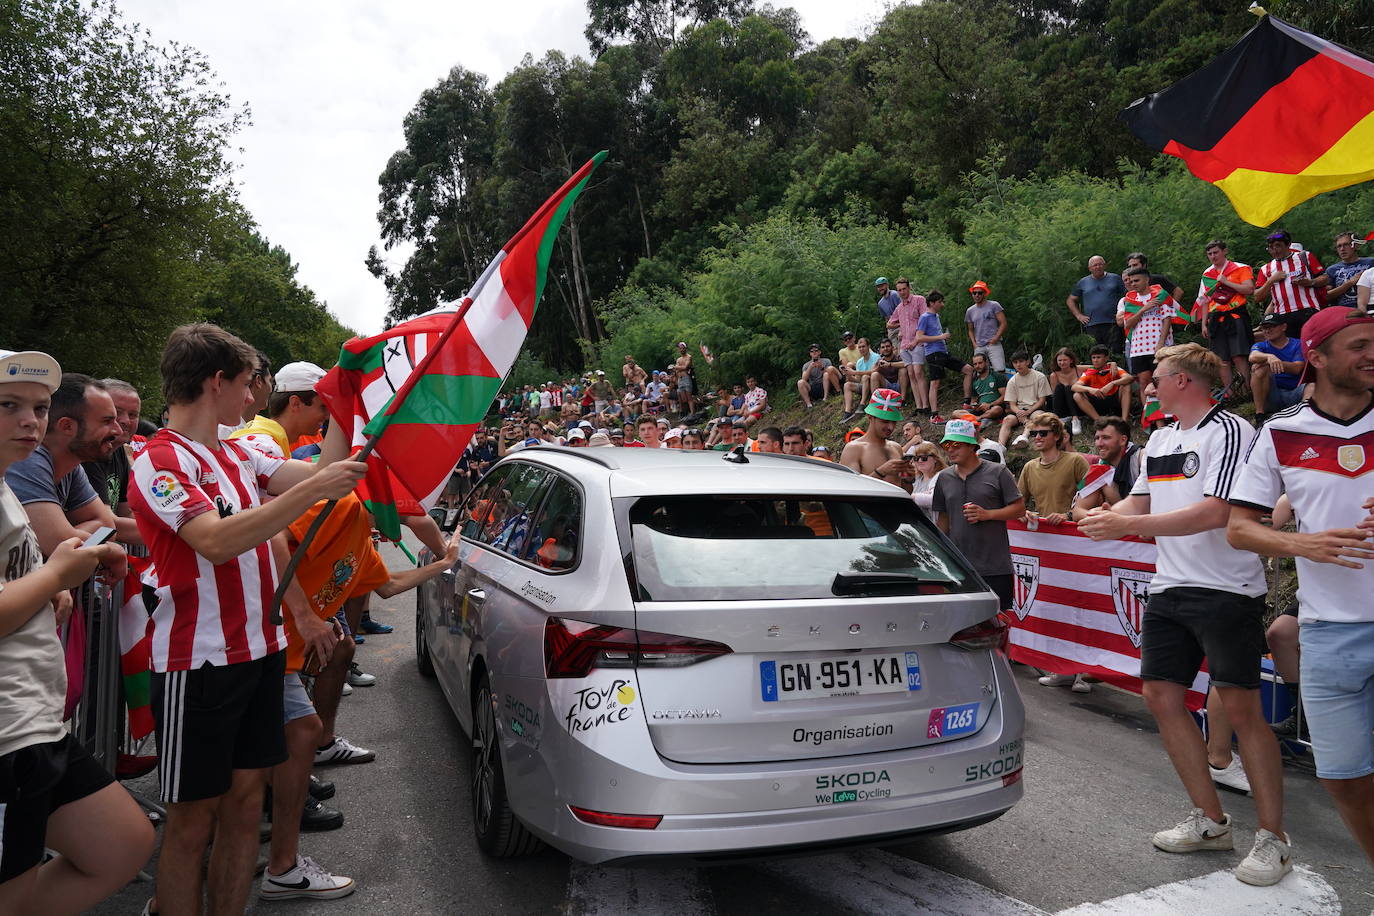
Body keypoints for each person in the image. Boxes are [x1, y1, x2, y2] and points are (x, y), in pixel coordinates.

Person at [127, 324, 367, 916]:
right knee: (191, 822)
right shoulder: (158, 459)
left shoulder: (235, 451)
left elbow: (325, 473)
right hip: (198, 664)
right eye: (246, 383)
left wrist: (346, 395)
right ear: (217, 382)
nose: (254, 397)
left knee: (242, 804)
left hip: (259, 653)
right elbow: (213, 541)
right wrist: (309, 492)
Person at [1078, 342, 1289, 886]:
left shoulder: (1234, 431)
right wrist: (1105, 515)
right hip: (1169, 584)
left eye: (1159, 377)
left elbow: (1218, 511)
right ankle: (1211, 819)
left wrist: (1128, 527)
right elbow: (1142, 502)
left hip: (1227, 588)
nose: (1148, 386)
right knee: (1161, 697)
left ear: (1184, 382)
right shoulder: (1161, 438)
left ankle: (1274, 837)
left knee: (1242, 708)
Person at [0, 348, 153, 916]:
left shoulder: (6, 488)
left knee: (123, 843)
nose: (29, 422)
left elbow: (98, 529)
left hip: (36, 723)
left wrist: (50, 579)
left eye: (37, 408)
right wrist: (57, 575)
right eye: (8, 405)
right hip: (8, 736)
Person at [1226, 308, 1374, 868]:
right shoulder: (1281, 431)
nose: (1371, 353)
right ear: (1315, 357)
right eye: (1358, 345)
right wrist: (1302, 544)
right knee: (1342, 777)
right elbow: (1239, 528)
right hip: (1328, 630)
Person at [5, 373, 141, 552]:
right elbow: (58, 546)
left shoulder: (72, 465)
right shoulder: (28, 460)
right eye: (107, 421)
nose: (118, 429)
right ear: (67, 426)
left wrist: (72, 537)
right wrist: (106, 550)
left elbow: (108, 526)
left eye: (40, 409)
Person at [931, 418, 1025, 611]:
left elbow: (1019, 508)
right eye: (946, 444)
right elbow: (943, 519)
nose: (950, 449)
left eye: (956, 444)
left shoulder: (998, 471)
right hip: (959, 567)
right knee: (962, 625)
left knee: (998, 622)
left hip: (995, 567)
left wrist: (987, 514)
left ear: (972, 445)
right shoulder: (944, 477)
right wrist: (938, 554)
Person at [1195, 239, 1256, 397]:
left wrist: (1226, 282)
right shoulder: (1207, 273)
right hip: (1215, 317)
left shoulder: (1240, 268)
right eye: (1209, 254)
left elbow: (1249, 289)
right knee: (1221, 359)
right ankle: (1230, 394)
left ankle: (1247, 391)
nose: (1213, 256)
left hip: (1235, 314)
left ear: (1224, 251)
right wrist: (1203, 324)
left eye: (1216, 252)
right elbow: (1204, 300)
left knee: (1239, 356)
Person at [1018, 411, 1089, 528]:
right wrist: (1023, 513)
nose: (1037, 437)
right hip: (1045, 533)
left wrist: (1068, 515)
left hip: (1074, 531)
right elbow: (1018, 503)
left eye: (1043, 433)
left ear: (1056, 436)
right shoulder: (1029, 467)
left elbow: (1094, 497)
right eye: (1033, 433)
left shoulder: (1076, 461)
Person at [1255, 229, 1327, 341]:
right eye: (1270, 247)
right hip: (1282, 317)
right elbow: (1257, 297)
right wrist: (1270, 281)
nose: (1274, 250)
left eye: (1278, 246)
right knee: (1293, 351)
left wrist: (1310, 282)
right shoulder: (1265, 269)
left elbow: (1325, 278)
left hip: (1307, 310)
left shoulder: (1304, 257)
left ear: (1288, 244)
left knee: (1314, 344)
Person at [1119, 266, 1178, 400]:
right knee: (1144, 383)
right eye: (1131, 281)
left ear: (1147, 280)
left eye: (1136, 280)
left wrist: (1161, 343)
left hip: (1158, 345)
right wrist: (1143, 309)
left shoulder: (1160, 295)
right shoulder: (1130, 300)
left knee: (1162, 380)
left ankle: (1167, 414)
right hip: (1139, 348)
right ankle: (1149, 417)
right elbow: (1127, 324)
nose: (1133, 284)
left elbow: (1167, 319)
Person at [916, 291, 974, 421]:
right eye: (940, 302)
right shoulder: (925, 317)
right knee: (935, 382)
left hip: (943, 352)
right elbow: (919, 337)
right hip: (933, 353)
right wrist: (940, 337)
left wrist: (943, 339)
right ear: (932, 303)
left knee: (968, 369)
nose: (942, 304)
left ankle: (967, 403)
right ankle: (934, 415)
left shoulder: (936, 316)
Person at [839, 389, 913, 492]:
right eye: (885, 421)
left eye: (894, 422)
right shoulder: (854, 449)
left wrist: (908, 480)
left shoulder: (896, 448)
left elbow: (906, 492)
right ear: (870, 417)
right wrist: (881, 472)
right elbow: (850, 491)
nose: (890, 427)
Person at [1247, 314, 1306, 424]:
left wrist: (1272, 363)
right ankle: (1260, 415)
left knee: (1312, 386)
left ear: (1284, 327)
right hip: (1271, 395)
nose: (1267, 330)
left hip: (1295, 393)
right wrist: (1269, 357)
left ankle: (1308, 417)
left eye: (1271, 326)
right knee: (1258, 369)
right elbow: (1252, 357)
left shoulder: (1298, 344)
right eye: (1264, 328)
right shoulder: (1261, 345)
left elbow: (1297, 368)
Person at [1068, 256, 1127, 353]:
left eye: (1100, 264)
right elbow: (1071, 300)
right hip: (1092, 324)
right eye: (1095, 265)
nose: (1098, 267)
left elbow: (1127, 295)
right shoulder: (1083, 282)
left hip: (1113, 323)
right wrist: (1079, 315)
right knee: (1096, 353)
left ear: (1105, 265)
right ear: (1089, 268)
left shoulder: (1115, 278)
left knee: (1115, 352)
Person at [891, 278, 929, 413]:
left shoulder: (919, 300)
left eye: (904, 289)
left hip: (917, 341)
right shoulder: (899, 307)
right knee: (911, 374)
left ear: (908, 288)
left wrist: (917, 340)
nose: (902, 292)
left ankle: (926, 405)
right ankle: (919, 406)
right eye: (899, 290)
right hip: (905, 344)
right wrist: (900, 325)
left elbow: (925, 318)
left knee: (918, 372)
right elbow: (889, 323)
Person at [999, 350, 1051, 447]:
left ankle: (1024, 437)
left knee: (1038, 416)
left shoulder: (1039, 377)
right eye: (1015, 362)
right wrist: (1019, 412)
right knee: (1007, 420)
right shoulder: (1012, 381)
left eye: (1021, 361)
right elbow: (1012, 404)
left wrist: (1028, 411)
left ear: (1028, 362)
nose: (1018, 365)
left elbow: (1042, 400)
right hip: (1018, 410)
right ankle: (1000, 446)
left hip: (1035, 408)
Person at [1072, 345, 1133, 425]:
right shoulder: (1089, 372)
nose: (1095, 360)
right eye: (1093, 358)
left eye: (1098, 357)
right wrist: (1090, 389)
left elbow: (1129, 378)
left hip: (1114, 399)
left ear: (1106, 358)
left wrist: (1112, 383)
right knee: (1077, 395)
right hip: (1097, 400)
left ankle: (1124, 421)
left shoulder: (1113, 368)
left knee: (1127, 386)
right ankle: (1099, 421)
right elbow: (1074, 387)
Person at [1316, 231, 1373, 310]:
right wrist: (1349, 283)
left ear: (1355, 245)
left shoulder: (1371, 263)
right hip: (1344, 312)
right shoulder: (1331, 270)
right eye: (1339, 246)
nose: (1342, 249)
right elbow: (1326, 296)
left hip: (1370, 308)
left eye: (1346, 245)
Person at [965, 281, 1008, 372]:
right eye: (974, 293)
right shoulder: (970, 311)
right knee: (980, 372)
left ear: (984, 293)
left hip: (993, 343)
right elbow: (970, 330)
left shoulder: (994, 305)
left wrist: (996, 337)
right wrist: (974, 344)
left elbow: (1003, 323)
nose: (977, 295)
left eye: (979, 293)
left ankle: (1002, 386)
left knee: (1000, 370)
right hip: (979, 346)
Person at [1046, 347, 1086, 435]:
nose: (1062, 363)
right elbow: (1056, 396)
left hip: (1078, 405)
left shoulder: (1078, 369)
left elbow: (1097, 366)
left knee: (1069, 388)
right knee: (1060, 387)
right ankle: (1058, 419)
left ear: (1071, 360)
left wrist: (1112, 364)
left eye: (1065, 360)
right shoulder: (1054, 375)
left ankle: (1075, 419)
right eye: (1059, 360)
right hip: (1063, 409)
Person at [840, 336, 880, 423]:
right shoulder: (859, 362)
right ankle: (847, 412)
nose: (861, 349)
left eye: (863, 346)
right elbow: (857, 380)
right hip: (864, 386)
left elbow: (874, 371)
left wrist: (855, 372)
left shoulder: (876, 357)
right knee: (847, 385)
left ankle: (862, 404)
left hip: (876, 383)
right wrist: (849, 374)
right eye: (860, 347)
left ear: (868, 347)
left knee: (866, 377)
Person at [908, 441, 947, 520]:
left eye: (924, 458)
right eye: (916, 458)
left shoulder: (942, 477)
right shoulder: (915, 480)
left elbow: (934, 500)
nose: (919, 461)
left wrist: (910, 497)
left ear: (935, 459)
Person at [967, 353, 1007, 426]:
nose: (977, 366)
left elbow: (1005, 396)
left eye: (980, 363)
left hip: (994, 407)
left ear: (986, 362)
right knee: (956, 413)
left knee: (997, 409)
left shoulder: (997, 376)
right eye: (975, 364)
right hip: (980, 409)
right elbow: (973, 400)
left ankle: (978, 418)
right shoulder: (975, 381)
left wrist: (990, 405)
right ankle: (982, 418)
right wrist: (974, 406)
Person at [867, 338, 907, 403]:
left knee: (903, 370)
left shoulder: (898, 357)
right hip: (886, 386)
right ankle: (875, 401)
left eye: (888, 346)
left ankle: (902, 400)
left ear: (892, 347)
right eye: (883, 347)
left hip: (899, 384)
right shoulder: (880, 361)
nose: (885, 349)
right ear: (880, 350)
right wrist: (878, 368)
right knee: (874, 374)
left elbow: (906, 363)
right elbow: (872, 371)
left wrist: (890, 364)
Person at [796, 344, 834, 409]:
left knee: (826, 374)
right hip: (813, 387)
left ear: (820, 352)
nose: (814, 352)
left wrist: (821, 367)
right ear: (810, 354)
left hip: (825, 385)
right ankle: (809, 405)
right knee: (800, 382)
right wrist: (810, 368)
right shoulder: (806, 365)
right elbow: (804, 379)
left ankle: (825, 398)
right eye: (812, 351)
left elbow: (830, 374)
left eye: (816, 350)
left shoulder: (826, 361)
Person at [875, 276, 901, 347]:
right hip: (892, 327)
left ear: (887, 285)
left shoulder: (894, 295)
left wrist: (900, 325)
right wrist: (889, 327)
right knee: (893, 348)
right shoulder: (880, 303)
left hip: (901, 323)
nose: (880, 288)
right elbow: (886, 318)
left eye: (882, 286)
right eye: (878, 287)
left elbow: (902, 311)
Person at [673, 342, 696, 415]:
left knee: (689, 397)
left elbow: (685, 367)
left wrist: (677, 367)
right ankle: (686, 413)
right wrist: (679, 368)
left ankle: (692, 413)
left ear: (685, 348)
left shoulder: (688, 357)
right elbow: (676, 370)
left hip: (686, 378)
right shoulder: (678, 359)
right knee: (683, 398)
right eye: (680, 348)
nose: (682, 350)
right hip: (680, 379)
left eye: (683, 348)